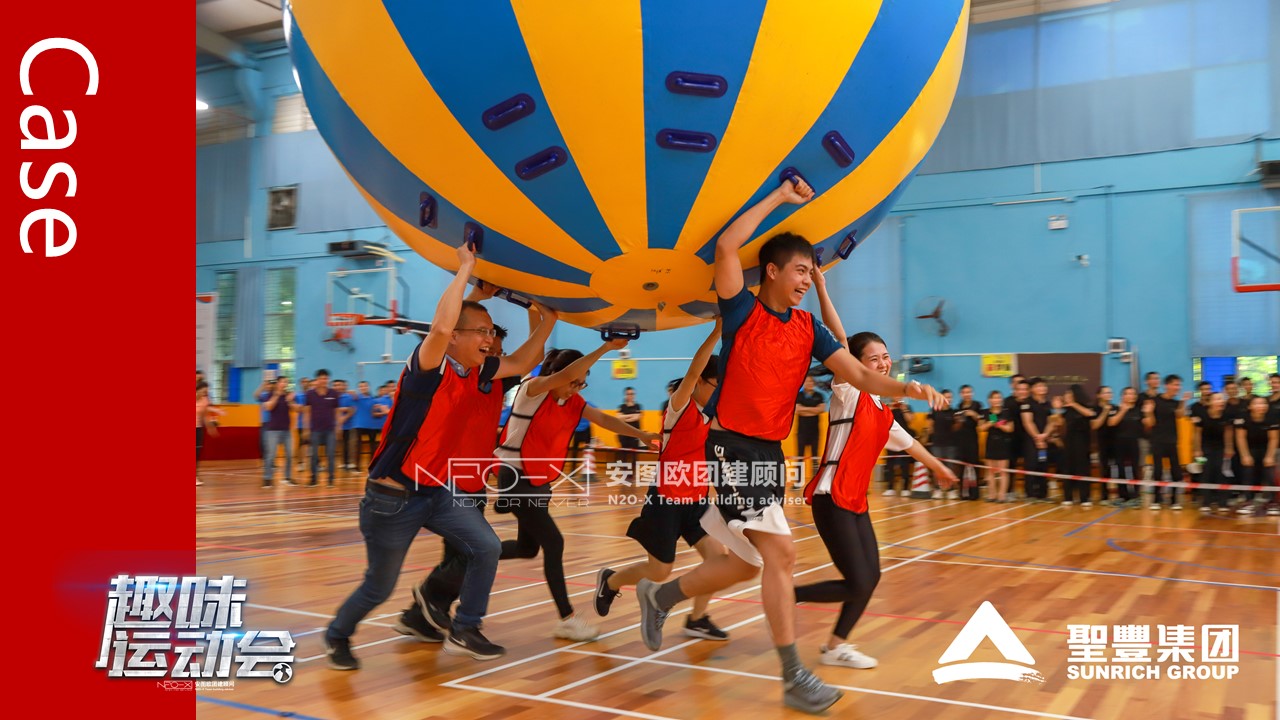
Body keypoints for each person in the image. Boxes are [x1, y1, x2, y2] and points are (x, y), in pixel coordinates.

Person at [633, 178, 944, 715]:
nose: (805, 280)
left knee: (746, 565)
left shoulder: (809, 328)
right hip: (730, 446)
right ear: (772, 271)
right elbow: (727, 247)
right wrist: (780, 197)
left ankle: (659, 596)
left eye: (810, 272)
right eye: (800, 270)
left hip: (769, 455)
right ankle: (793, 675)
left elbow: (858, 375)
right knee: (781, 553)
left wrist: (906, 389)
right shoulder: (741, 311)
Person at [323, 244, 557, 670]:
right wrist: (466, 269)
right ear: (454, 338)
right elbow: (441, 327)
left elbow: (526, 359)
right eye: (482, 332)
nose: (489, 339)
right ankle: (338, 635)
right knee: (379, 586)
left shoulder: (479, 372)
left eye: (491, 332)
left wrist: (549, 319)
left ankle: (466, 628)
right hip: (392, 498)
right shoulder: (428, 368)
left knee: (486, 546)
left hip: (437, 492)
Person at [795, 271, 957, 671]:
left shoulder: (882, 412)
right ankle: (787, 596)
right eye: (874, 358)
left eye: (886, 356)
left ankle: (836, 646)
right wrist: (822, 288)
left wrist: (940, 468)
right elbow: (838, 336)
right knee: (858, 580)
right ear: (857, 364)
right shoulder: (849, 391)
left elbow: (910, 444)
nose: (883, 362)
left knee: (870, 578)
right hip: (830, 496)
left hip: (855, 501)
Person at [494, 341, 660, 641]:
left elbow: (604, 419)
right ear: (558, 375)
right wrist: (606, 347)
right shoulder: (533, 390)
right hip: (515, 477)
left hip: (537, 480)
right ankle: (567, 619)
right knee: (554, 542)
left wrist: (642, 435)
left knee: (527, 548)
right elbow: (563, 377)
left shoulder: (572, 402)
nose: (575, 389)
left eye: (581, 384)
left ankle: (473, 552)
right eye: (573, 382)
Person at [595, 320, 729, 643]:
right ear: (700, 382)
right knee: (659, 570)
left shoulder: (714, 415)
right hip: (666, 498)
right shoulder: (679, 407)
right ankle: (610, 581)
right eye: (716, 384)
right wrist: (717, 331)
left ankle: (697, 619)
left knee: (719, 561)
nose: (719, 391)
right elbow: (695, 369)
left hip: (697, 500)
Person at [1142, 375, 1187, 510]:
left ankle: (1174, 501)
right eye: (1175, 385)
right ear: (1167, 385)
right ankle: (1156, 500)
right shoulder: (1155, 401)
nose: (1178, 387)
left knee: (1176, 472)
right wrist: (1149, 413)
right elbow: (1150, 423)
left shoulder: (1175, 402)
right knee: (1157, 471)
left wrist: (1183, 401)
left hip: (1172, 441)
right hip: (1157, 441)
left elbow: (1180, 415)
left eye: (1179, 385)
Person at [1234, 396, 1279, 516]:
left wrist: (1269, 456)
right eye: (1257, 403)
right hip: (1249, 447)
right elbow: (1240, 437)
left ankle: (1273, 503)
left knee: (1270, 474)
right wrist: (1245, 455)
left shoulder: (1272, 417)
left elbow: (1274, 438)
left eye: (1263, 403)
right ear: (1250, 406)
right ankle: (1248, 501)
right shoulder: (1243, 417)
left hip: (1266, 447)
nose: (1261, 406)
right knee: (1248, 473)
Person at [1192, 393, 1234, 513]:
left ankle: (1223, 502)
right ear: (1210, 402)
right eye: (1218, 399)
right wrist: (1197, 449)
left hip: (1221, 448)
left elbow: (1228, 432)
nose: (1221, 401)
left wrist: (1229, 447)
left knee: (1222, 473)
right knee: (1206, 473)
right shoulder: (1202, 414)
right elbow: (1197, 433)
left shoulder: (1226, 414)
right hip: (1205, 448)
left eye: (1222, 399)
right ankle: (1206, 502)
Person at [303, 370, 342, 487]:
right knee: (314, 455)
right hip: (315, 430)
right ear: (317, 380)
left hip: (330, 430)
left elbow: (337, 411)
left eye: (325, 378)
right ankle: (313, 478)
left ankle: (331, 479)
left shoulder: (333, 393)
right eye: (321, 378)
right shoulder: (310, 394)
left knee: (330, 454)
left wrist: (338, 426)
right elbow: (307, 412)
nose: (323, 381)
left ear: (328, 380)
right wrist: (306, 429)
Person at [1060, 385, 1096, 507]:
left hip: (1082, 442)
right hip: (1068, 442)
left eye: (1068, 394)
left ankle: (1084, 497)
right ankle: (1068, 496)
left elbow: (1090, 414)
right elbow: (1059, 425)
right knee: (1068, 468)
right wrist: (1058, 410)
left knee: (1083, 469)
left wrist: (1074, 404)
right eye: (1066, 394)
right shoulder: (1066, 411)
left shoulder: (1085, 406)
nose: (1066, 396)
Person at [1108, 387, 1145, 507]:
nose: (1131, 396)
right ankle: (1123, 496)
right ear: (1123, 396)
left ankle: (1136, 496)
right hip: (1119, 442)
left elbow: (1147, 425)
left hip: (1134, 442)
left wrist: (1148, 413)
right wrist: (1123, 410)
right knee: (1120, 469)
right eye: (1128, 394)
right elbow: (1111, 422)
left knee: (1135, 469)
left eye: (1133, 394)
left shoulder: (1139, 411)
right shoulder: (1115, 409)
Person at [261, 377, 299, 488]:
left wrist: (290, 400)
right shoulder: (270, 394)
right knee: (271, 455)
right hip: (273, 430)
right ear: (277, 383)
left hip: (286, 430)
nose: (285, 384)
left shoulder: (288, 395)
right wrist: (276, 395)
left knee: (290, 455)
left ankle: (287, 478)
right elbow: (269, 407)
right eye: (283, 381)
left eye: (286, 382)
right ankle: (267, 478)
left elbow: (296, 409)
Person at [1020, 378, 1052, 501]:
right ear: (1032, 389)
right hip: (1031, 440)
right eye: (1039, 386)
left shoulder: (1048, 404)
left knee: (1043, 465)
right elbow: (1028, 422)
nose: (1042, 388)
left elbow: (1051, 421)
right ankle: (1030, 493)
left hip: (1045, 439)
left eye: (1044, 386)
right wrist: (1037, 438)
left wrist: (1045, 435)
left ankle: (1042, 494)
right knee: (1031, 465)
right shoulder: (1027, 403)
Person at [979, 391, 1014, 502]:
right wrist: (990, 423)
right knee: (990, 471)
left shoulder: (1006, 412)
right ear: (989, 400)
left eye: (999, 398)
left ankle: (1002, 495)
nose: (997, 400)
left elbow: (1010, 429)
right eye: (994, 398)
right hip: (991, 443)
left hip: (1004, 443)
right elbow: (981, 428)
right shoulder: (985, 412)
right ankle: (992, 495)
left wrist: (999, 425)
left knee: (1003, 471)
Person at [792, 375, 826, 489]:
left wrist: (805, 410)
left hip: (815, 432)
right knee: (799, 457)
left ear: (814, 384)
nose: (809, 383)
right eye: (807, 382)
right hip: (801, 432)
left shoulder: (819, 396)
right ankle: (798, 482)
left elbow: (821, 409)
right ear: (804, 383)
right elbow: (797, 410)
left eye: (811, 382)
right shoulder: (799, 395)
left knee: (815, 458)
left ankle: (815, 483)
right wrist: (813, 410)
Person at [1092, 387, 1122, 506]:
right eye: (1106, 392)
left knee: (1118, 467)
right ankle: (1104, 496)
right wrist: (1105, 412)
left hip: (1116, 441)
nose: (1109, 394)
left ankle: (1120, 495)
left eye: (1110, 392)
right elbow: (1095, 426)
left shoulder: (1115, 408)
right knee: (1104, 468)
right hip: (1102, 442)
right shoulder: (1095, 409)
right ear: (1099, 395)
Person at [928, 390, 958, 499]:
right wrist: (928, 438)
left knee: (950, 467)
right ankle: (937, 489)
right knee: (937, 468)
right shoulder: (935, 410)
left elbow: (956, 428)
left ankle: (951, 489)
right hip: (937, 444)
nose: (948, 399)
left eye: (950, 397)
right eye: (946, 397)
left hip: (951, 444)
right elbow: (930, 427)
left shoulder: (954, 412)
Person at [954, 385, 983, 499]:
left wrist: (974, 414)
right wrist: (958, 421)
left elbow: (983, 422)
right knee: (962, 466)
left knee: (974, 465)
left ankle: (974, 493)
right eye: (964, 392)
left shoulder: (978, 405)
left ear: (972, 393)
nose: (967, 394)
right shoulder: (958, 407)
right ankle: (963, 492)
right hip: (961, 441)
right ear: (961, 394)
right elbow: (956, 427)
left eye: (969, 392)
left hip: (973, 440)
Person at [884, 400, 916, 496]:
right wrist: (889, 409)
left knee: (905, 464)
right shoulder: (888, 406)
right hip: (891, 439)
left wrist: (904, 409)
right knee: (890, 464)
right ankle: (890, 487)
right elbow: (882, 419)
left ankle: (905, 488)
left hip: (904, 439)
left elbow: (910, 419)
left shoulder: (906, 406)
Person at [196, 381, 223, 486]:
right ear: (197, 390)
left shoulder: (204, 400)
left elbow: (205, 416)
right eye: (203, 391)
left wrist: (210, 428)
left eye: (206, 392)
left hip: (198, 429)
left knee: (196, 454)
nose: (204, 394)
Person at [350, 381, 380, 472]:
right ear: (359, 388)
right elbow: (352, 394)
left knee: (373, 445)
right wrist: (352, 393)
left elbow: (375, 411)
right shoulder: (357, 398)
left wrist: (377, 410)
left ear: (368, 387)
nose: (363, 388)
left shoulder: (373, 400)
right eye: (361, 386)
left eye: (365, 386)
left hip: (371, 424)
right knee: (357, 445)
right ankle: (356, 466)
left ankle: (372, 465)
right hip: (359, 424)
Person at [617, 387, 644, 451]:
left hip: (635, 434)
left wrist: (625, 417)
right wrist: (632, 415)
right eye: (628, 394)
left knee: (634, 453)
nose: (630, 396)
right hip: (624, 434)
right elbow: (619, 417)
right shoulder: (622, 407)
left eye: (632, 394)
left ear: (634, 395)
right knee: (624, 453)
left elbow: (637, 417)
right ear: (625, 395)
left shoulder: (638, 406)